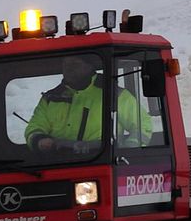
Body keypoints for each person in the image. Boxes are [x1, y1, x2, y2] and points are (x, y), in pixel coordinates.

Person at [24, 56, 153, 152]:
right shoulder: (51, 98)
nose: (69, 68)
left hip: (102, 162)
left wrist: (128, 151)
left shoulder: (112, 94)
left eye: (75, 64)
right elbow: (34, 127)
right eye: (66, 64)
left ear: (89, 66)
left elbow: (143, 126)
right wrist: (39, 140)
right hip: (57, 164)